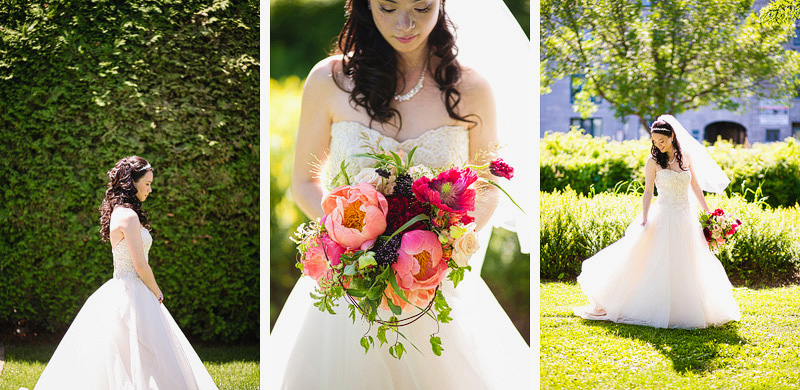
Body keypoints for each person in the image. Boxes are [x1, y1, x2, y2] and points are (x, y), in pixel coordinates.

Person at [269, 0, 530, 388]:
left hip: (432, 279)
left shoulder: (472, 89)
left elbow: (487, 183)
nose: (405, 24)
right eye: (387, 7)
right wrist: (351, 240)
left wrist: (445, 242)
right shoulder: (328, 80)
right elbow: (305, 184)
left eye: (421, 7)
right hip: (348, 282)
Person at [34, 156, 218, 390]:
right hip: (131, 293)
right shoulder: (129, 217)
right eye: (147, 184)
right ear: (132, 183)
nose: (150, 189)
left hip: (122, 289)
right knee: (141, 353)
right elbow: (140, 265)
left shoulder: (120, 213)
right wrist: (157, 291)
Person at [573, 115, 741, 329]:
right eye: (655, 142)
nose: (658, 145)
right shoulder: (652, 162)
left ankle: (688, 307)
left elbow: (695, 187)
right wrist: (644, 217)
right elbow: (648, 191)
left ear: (672, 136)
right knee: (657, 260)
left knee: (688, 261)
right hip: (663, 214)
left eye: (662, 141)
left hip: (685, 216)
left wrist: (708, 212)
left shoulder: (686, 157)